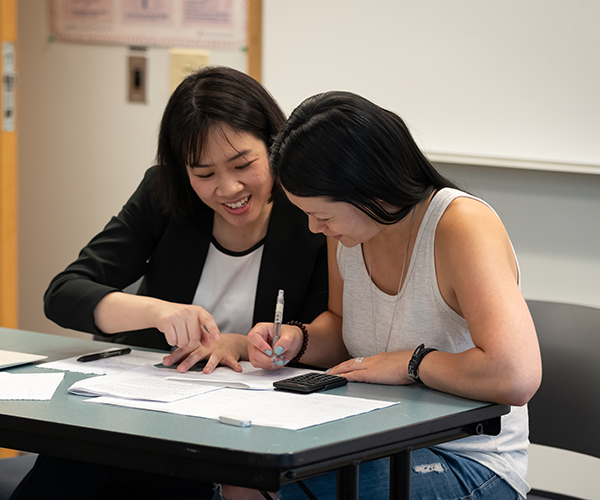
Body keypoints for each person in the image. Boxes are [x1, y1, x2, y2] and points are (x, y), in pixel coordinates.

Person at [13, 67, 328, 500]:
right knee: (78, 464)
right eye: (203, 174)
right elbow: (65, 291)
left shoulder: (314, 216)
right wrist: (158, 310)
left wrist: (239, 344)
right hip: (147, 412)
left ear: (275, 146)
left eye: (243, 165)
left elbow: (324, 337)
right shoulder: (164, 193)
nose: (228, 188)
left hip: (249, 427)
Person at [247, 91, 542, 500]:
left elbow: (515, 375)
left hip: (472, 459)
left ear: (369, 189)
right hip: (375, 438)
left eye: (323, 215)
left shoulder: (461, 226)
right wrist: (300, 339)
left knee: (309, 492)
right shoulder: (349, 234)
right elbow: (342, 327)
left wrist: (412, 364)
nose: (314, 228)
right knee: (246, 483)